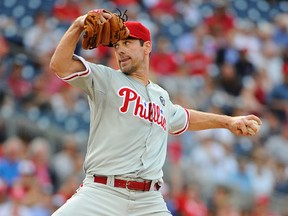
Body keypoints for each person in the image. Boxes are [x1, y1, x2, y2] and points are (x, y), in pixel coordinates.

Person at [49, 10, 262, 216]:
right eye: (117, 45)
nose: (120, 50)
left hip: (148, 201)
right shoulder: (105, 78)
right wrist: (78, 24)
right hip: (102, 192)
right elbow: (60, 65)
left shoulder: (161, 96)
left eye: (127, 43)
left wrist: (228, 122)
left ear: (147, 47)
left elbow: (186, 118)